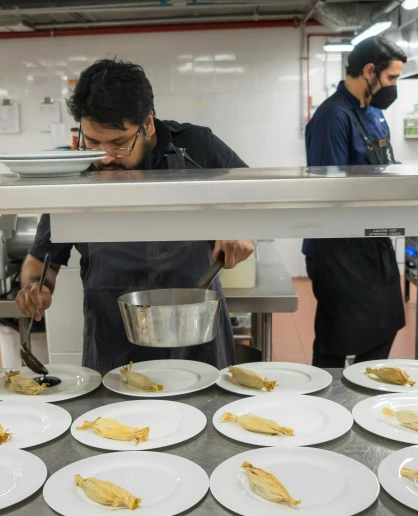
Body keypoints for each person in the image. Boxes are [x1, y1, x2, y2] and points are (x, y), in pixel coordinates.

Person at [16, 59, 253, 374]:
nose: (106, 157)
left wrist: (238, 228)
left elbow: (254, 201)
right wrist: (35, 288)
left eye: (119, 143)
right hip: (113, 338)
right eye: (93, 142)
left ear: (148, 124)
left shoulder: (198, 146)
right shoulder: (74, 171)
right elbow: (41, 262)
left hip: (196, 333)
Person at [303, 36, 407, 367]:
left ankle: (364, 401)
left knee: (384, 327)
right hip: (338, 251)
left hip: (373, 242)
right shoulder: (331, 118)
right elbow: (329, 193)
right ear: (369, 71)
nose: (394, 86)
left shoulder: (374, 113)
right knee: (337, 342)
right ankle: (329, 408)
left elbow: (386, 167)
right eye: (391, 78)